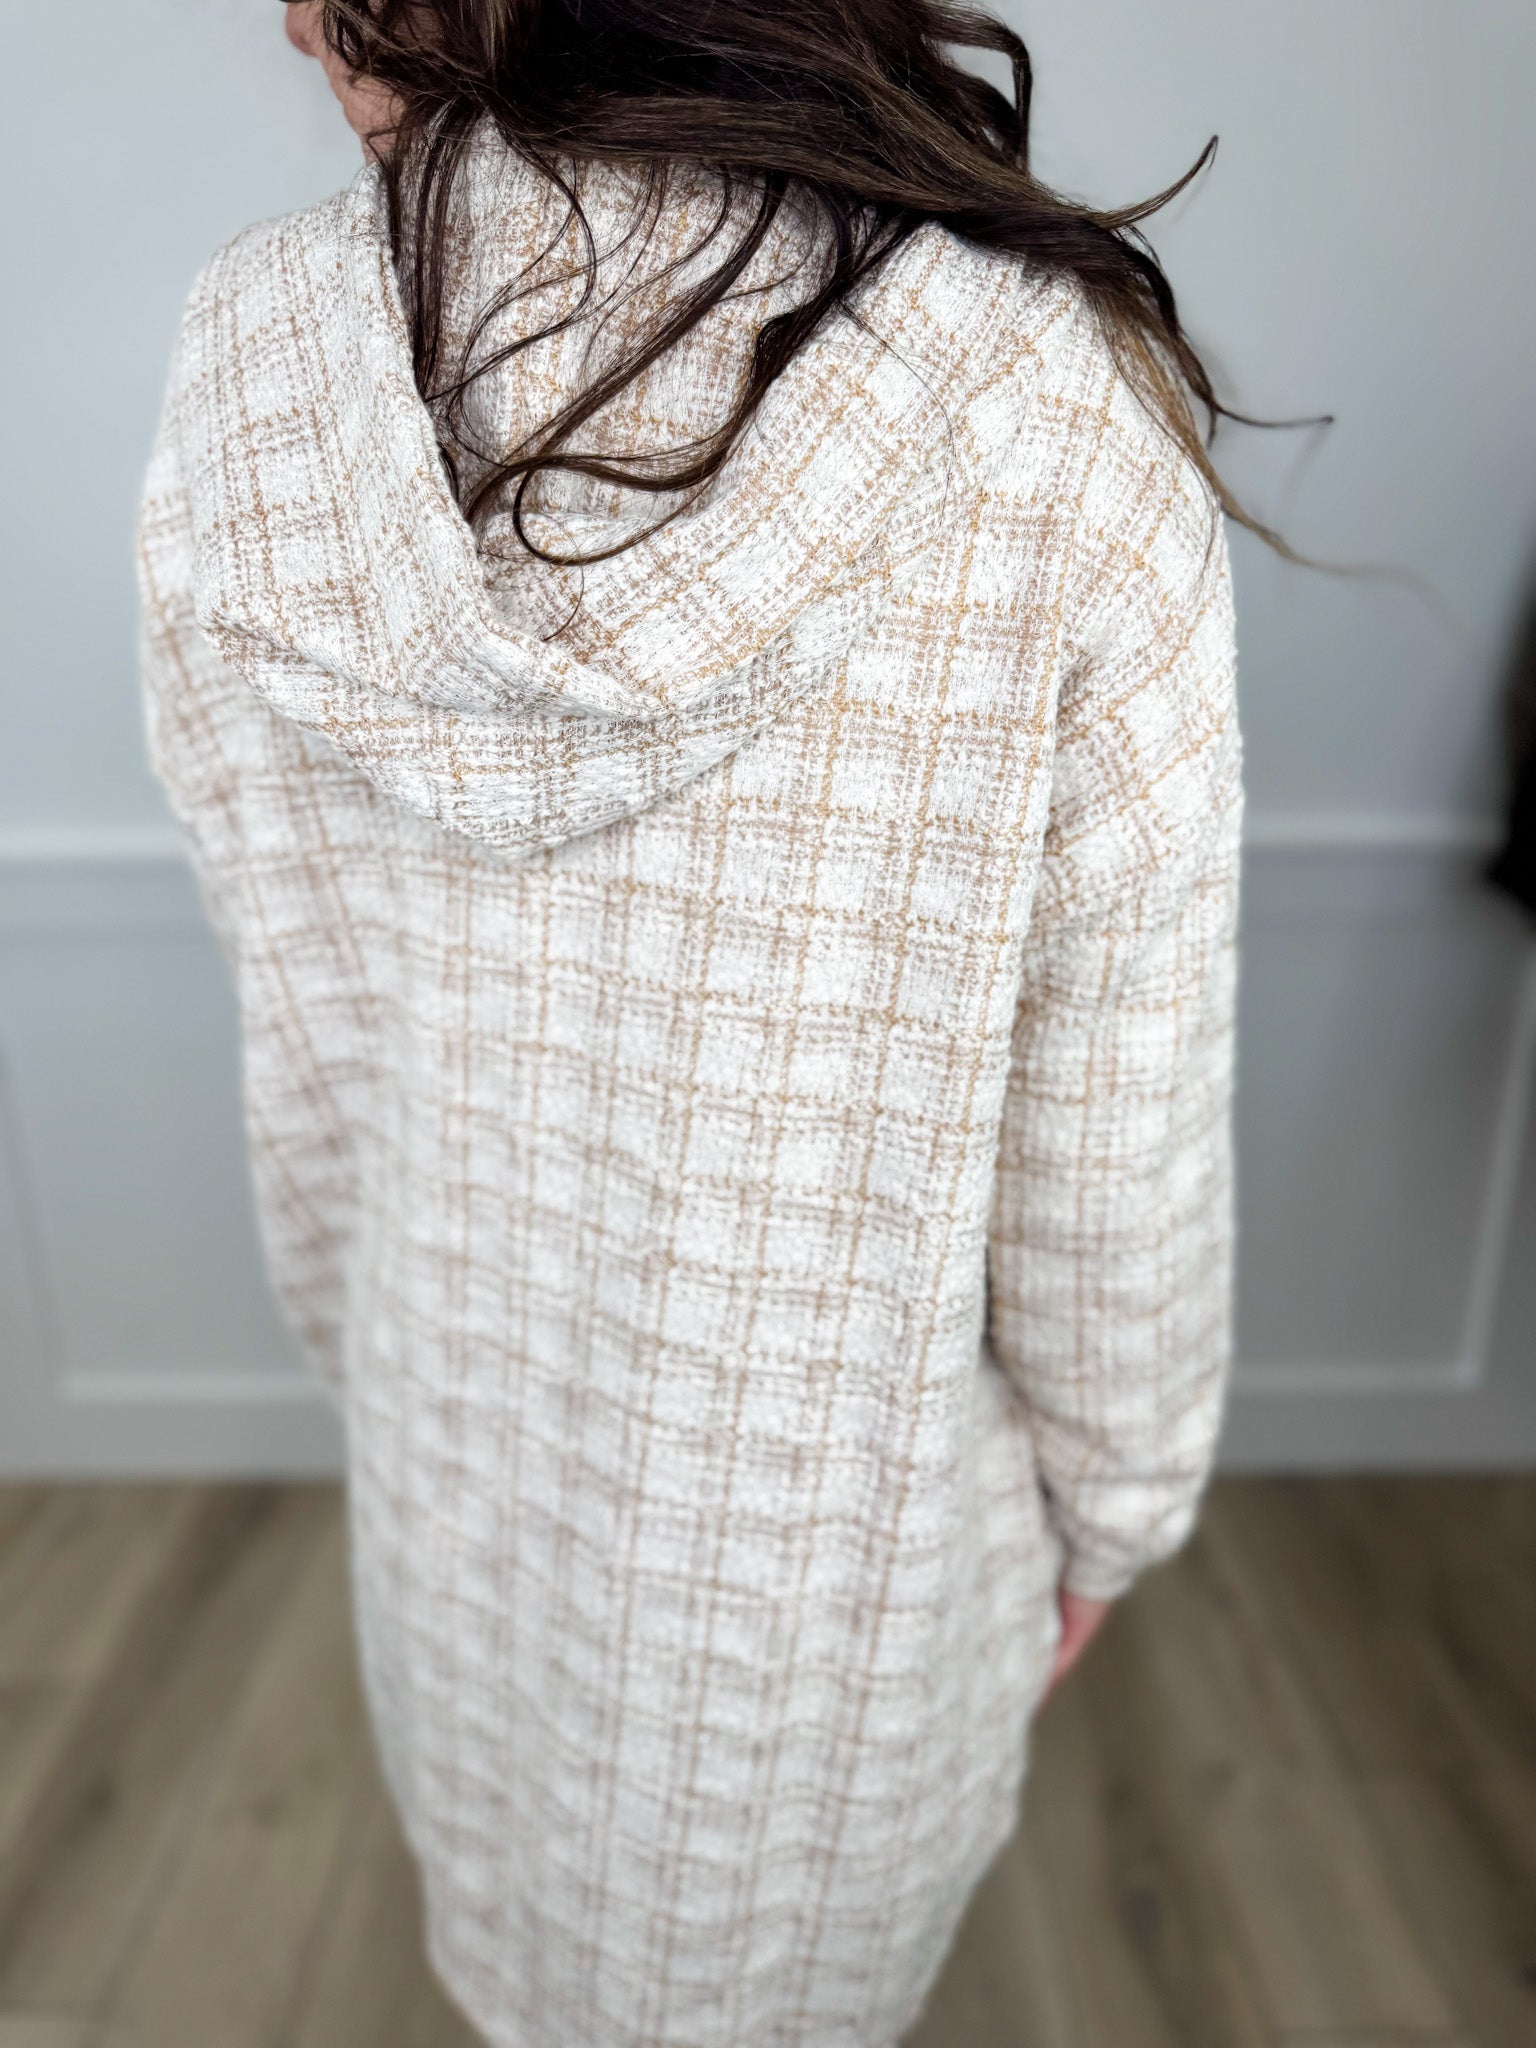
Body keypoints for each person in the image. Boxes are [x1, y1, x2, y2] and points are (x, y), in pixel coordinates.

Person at [138, 4, 1244, 2042]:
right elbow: (1117, 1111)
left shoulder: (258, 365)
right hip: (828, 1603)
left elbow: (305, 1040)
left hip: (460, 1509)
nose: (283, 15)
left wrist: (395, 1365)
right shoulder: (1036, 394)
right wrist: (1116, 1494)